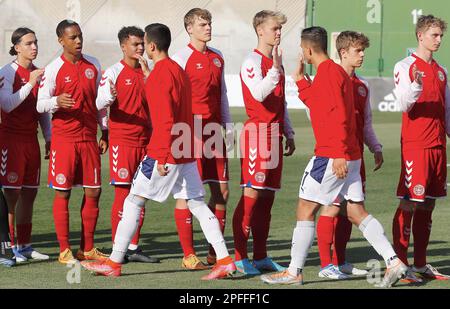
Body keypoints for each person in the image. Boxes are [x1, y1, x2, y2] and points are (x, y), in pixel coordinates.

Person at [80, 23, 236, 280]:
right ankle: (225, 259)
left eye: (144, 44)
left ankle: (114, 261)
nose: (143, 48)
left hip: (165, 152)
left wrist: (162, 157)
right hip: (184, 150)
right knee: (197, 203)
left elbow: (164, 120)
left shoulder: (159, 76)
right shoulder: (177, 70)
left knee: (133, 200)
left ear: (151, 46)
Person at [261, 26, 407, 288]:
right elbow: (320, 107)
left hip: (332, 154)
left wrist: (338, 154)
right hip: (350, 156)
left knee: (305, 208)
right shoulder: (334, 73)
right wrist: (301, 80)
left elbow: (339, 116)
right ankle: (393, 260)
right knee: (355, 211)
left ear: (307, 50)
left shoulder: (329, 73)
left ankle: (294, 272)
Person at [37, 20, 109, 265]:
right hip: (64, 140)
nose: (78, 41)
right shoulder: (54, 68)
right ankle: (64, 249)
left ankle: (86, 248)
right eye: (73, 38)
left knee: (94, 192)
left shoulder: (94, 64)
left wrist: (105, 131)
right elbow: (40, 103)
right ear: (61, 41)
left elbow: (99, 104)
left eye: (80, 36)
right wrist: (57, 101)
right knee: (64, 194)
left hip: (88, 137)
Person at [232, 10, 296, 275]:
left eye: (280, 29)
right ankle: (239, 257)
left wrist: (288, 131)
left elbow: (281, 101)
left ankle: (260, 256)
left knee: (267, 198)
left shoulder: (273, 62)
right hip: (257, 133)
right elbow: (258, 93)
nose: (279, 33)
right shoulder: (252, 61)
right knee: (251, 194)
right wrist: (276, 69)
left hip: (274, 134)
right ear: (260, 30)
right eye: (274, 28)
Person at [315, 31, 382, 280]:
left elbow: (366, 124)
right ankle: (325, 264)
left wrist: (375, 147)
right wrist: (335, 151)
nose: (363, 54)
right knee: (330, 207)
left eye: (364, 50)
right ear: (343, 52)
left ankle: (340, 261)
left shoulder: (362, 86)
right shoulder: (331, 78)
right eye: (358, 50)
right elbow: (321, 118)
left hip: (356, 158)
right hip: (335, 155)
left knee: (349, 209)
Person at [172, 8, 232, 270]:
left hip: (215, 132)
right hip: (189, 132)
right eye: (202, 24)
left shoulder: (218, 57)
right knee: (188, 194)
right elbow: (172, 98)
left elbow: (223, 96)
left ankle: (213, 252)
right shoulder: (180, 58)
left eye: (209, 23)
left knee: (222, 192)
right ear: (189, 28)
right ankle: (188, 254)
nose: (208, 28)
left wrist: (228, 127)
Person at [392, 14, 450, 281]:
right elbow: (404, 104)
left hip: (438, 146)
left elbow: (446, 110)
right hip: (416, 146)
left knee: (428, 205)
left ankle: (420, 264)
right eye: (434, 35)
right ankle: (401, 265)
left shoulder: (441, 71)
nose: (438, 40)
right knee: (409, 202)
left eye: (441, 35)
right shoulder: (404, 66)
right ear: (420, 35)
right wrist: (416, 84)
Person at [96, 26, 159, 264]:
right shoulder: (113, 72)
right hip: (122, 142)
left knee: (142, 194)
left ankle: (133, 246)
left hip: (147, 141)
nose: (140, 48)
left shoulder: (147, 72)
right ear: (123, 46)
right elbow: (98, 102)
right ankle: (117, 248)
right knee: (123, 194)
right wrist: (109, 97)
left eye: (142, 44)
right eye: (135, 45)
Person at [0, 27, 51, 263]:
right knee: (12, 195)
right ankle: (9, 248)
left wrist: (49, 138)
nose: (34, 47)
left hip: (32, 140)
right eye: (29, 43)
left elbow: (42, 111)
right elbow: (7, 105)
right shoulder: (7, 72)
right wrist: (30, 84)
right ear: (16, 47)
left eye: (36, 42)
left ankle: (25, 245)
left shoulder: (40, 73)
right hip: (10, 141)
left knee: (30, 194)